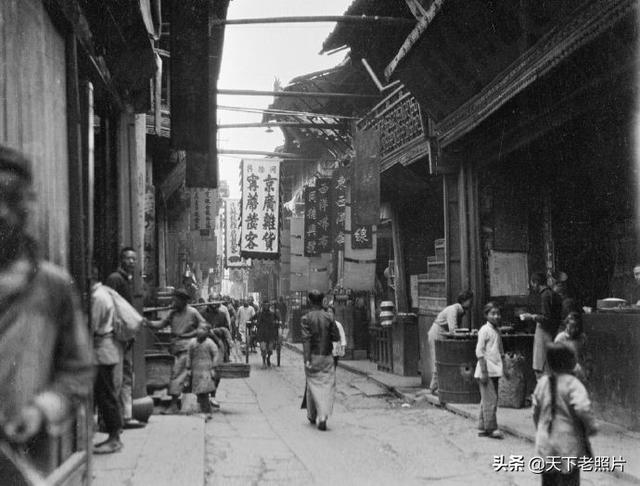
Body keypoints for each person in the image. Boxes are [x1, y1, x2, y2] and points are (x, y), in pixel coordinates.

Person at [0, 146, 93, 475]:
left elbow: (79, 369)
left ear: (29, 203)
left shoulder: (53, 287)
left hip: (27, 463)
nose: (2, 212)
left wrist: (41, 410)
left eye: (11, 198)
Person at [532, 343, 597, 485]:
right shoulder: (573, 384)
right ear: (569, 362)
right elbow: (583, 408)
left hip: (545, 441)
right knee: (569, 480)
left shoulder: (542, 383)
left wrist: (540, 428)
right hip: (567, 443)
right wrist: (591, 426)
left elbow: (535, 411)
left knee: (549, 481)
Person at [148, 288, 206, 414]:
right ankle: (177, 402)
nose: (174, 302)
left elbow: (204, 326)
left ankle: (173, 405)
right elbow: (162, 324)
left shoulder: (192, 312)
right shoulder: (173, 313)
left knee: (177, 375)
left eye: (176, 300)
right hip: (174, 347)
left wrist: (191, 334)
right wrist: (148, 323)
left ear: (183, 301)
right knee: (173, 375)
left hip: (186, 347)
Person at [105, 246, 139, 428]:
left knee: (126, 375)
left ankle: (125, 416)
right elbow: (110, 306)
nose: (132, 262)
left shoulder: (127, 280)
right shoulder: (115, 279)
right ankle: (111, 420)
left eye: (134, 259)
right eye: (128, 258)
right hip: (116, 337)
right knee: (116, 378)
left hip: (125, 337)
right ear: (121, 260)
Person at [91, 270, 124, 454]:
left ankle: (114, 438)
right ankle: (114, 435)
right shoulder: (104, 293)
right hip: (106, 349)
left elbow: (93, 326)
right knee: (107, 394)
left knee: (106, 396)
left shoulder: (98, 297)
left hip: (102, 351)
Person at [301, 290, 340, 431]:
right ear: (322, 301)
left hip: (313, 356)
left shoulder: (306, 318)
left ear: (310, 302)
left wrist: (307, 359)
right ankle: (323, 415)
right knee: (327, 386)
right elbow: (336, 336)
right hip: (327, 356)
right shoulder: (329, 317)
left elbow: (306, 341)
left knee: (312, 385)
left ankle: (313, 414)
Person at [427, 290, 474, 394]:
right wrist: (466, 334)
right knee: (438, 359)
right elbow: (453, 329)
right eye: (470, 300)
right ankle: (433, 388)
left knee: (443, 360)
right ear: (464, 300)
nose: (471, 303)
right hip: (437, 333)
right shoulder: (453, 309)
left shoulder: (460, 311)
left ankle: (438, 386)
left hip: (443, 333)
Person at [522, 272, 563, 380]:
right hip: (551, 333)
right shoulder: (553, 294)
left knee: (541, 368)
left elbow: (546, 318)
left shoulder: (545, 295)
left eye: (532, 283)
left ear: (535, 283)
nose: (531, 286)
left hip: (545, 334)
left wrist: (532, 317)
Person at [475, 301, 506, 440]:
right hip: (486, 369)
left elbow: (500, 350)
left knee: (487, 399)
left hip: (495, 369)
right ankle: (491, 428)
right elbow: (479, 351)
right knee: (491, 399)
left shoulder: (496, 331)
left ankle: (482, 425)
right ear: (486, 315)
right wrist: (484, 371)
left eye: (498, 313)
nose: (496, 316)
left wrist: (504, 365)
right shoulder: (484, 330)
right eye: (493, 313)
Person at [186, 323, 220, 420]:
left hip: (206, 370)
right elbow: (189, 355)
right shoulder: (192, 342)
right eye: (199, 330)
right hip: (196, 370)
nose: (201, 332)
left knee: (204, 391)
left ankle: (206, 411)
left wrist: (214, 367)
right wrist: (188, 368)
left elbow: (215, 354)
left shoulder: (209, 343)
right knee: (198, 391)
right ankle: (203, 410)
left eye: (203, 330)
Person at [554, 312, 587, 383]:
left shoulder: (582, 338)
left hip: (579, 375)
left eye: (576, 327)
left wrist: (587, 368)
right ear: (567, 324)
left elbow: (587, 355)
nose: (574, 329)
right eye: (572, 326)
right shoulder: (560, 339)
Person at [256, 300, 279, 368]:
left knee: (270, 349)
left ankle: (268, 358)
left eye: (267, 305)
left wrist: (278, 322)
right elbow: (255, 319)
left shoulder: (272, 314)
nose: (266, 307)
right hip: (262, 333)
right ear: (263, 306)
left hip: (270, 333)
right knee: (263, 349)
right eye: (265, 305)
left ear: (268, 306)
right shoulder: (259, 314)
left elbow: (278, 318)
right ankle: (263, 362)